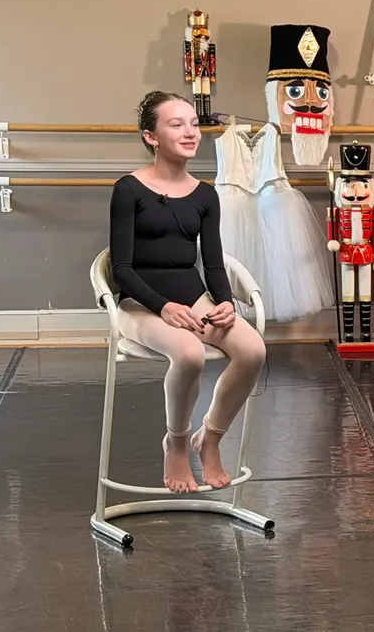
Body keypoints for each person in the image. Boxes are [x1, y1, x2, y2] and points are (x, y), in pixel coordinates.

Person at [109, 91, 267, 493]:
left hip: (191, 296)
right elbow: (122, 269)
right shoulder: (128, 189)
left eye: (193, 124)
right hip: (140, 302)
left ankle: (209, 438)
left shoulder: (204, 194)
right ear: (151, 136)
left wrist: (227, 303)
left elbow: (213, 264)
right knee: (189, 353)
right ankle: (176, 442)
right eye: (176, 124)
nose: (190, 132)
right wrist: (163, 308)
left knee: (253, 351)